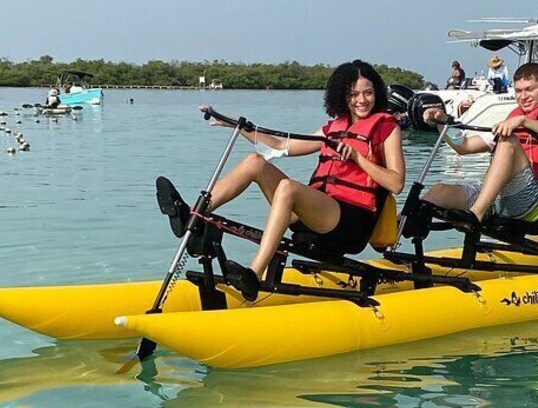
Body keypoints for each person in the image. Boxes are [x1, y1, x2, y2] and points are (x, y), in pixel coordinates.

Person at [158, 60, 405, 301]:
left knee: (288, 187)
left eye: (368, 93)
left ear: (377, 94)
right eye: (354, 94)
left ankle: (254, 274)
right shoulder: (332, 128)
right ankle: (191, 215)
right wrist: (235, 125)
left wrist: (359, 159)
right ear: (343, 96)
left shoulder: (387, 128)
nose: (361, 100)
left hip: (350, 222)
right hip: (317, 213)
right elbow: (279, 145)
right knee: (254, 162)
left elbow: (396, 183)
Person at [417, 63, 538, 228]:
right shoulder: (510, 121)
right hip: (495, 199)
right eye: (518, 91)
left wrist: (525, 121)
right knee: (438, 192)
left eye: (529, 89)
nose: (523, 96)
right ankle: (397, 228)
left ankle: (476, 215)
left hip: (530, 203)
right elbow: (464, 146)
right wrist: (442, 122)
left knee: (507, 141)